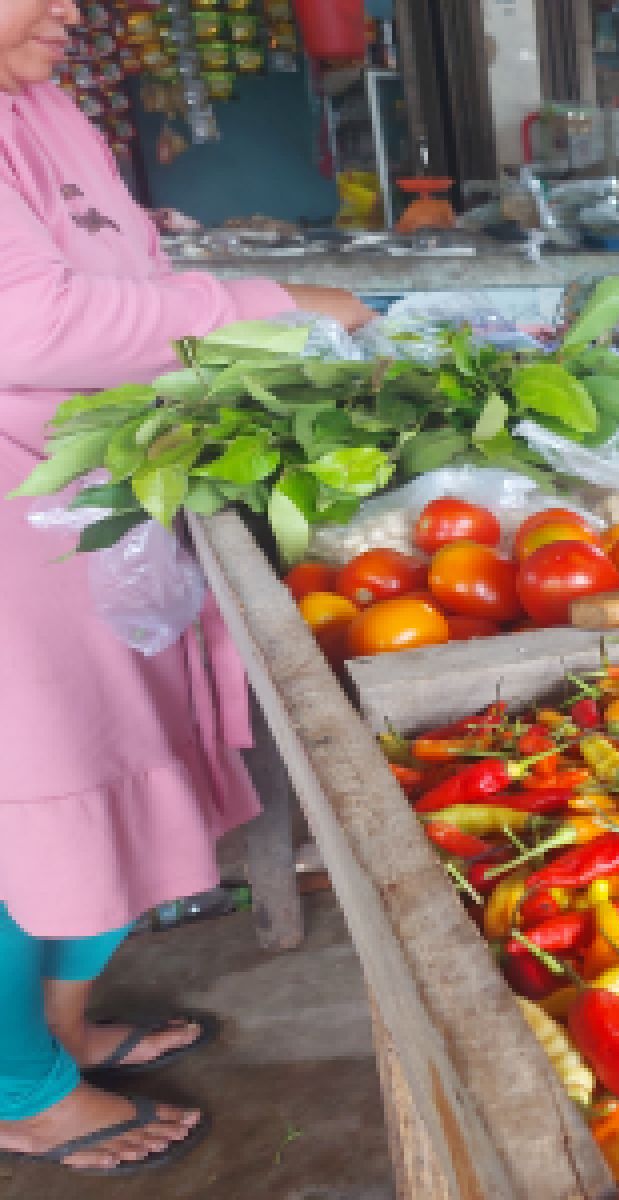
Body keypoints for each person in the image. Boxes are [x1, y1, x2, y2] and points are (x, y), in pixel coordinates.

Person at [0, 0, 373, 1176]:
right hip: (18, 525)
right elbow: (27, 319)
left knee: (100, 764)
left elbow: (112, 258)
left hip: (86, 508)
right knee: (24, 797)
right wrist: (268, 312)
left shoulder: (42, 101)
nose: (70, 8)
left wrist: (185, 277)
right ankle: (16, 1090)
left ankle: (58, 1027)